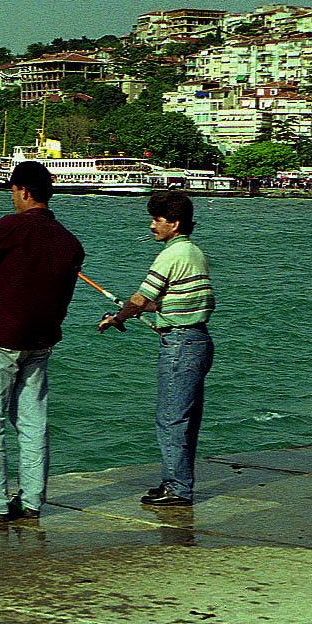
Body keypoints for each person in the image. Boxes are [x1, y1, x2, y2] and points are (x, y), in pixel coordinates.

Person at [0, 161, 85, 522]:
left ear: (24, 191)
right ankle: (31, 501)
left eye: (12, 191)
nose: (12, 198)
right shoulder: (70, 242)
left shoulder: (10, 227)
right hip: (42, 341)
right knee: (32, 422)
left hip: (1, 339)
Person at [97, 192, 214, 507]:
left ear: (173, 224)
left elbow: (139, 298)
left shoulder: (169, 255)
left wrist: (119, 317)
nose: (151, 226)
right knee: (185, 418)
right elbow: (174, 300)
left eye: (156, 220)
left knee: (171, 418)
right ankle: (176, 482)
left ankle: (178, 488)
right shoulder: (195, 253)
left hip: (180, 344)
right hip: (199, 340)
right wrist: (130, 312)